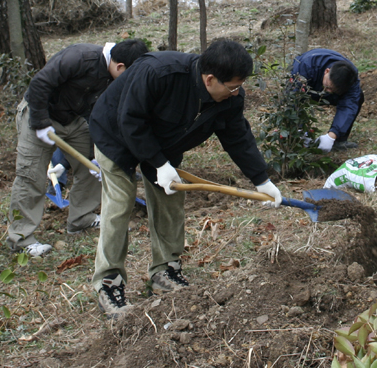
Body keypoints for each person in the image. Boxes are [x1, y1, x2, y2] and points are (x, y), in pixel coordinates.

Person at [87, 38, 281, 318]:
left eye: (240, 86)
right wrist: (158, 163)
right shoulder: (160, 72)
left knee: (170, 200)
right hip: (115, 132)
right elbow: (130, 120)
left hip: (164, 143)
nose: (237, 92)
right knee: (120, 203)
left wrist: (261, 179)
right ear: (210, 79)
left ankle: (165, 270)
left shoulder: (228, 98)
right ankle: (108, 282)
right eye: (233, 86)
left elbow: (237, 135)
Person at [6, 39, 149, 257]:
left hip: (72, 120)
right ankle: (21, 239)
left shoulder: (113, 77)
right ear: (120, 66)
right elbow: (39, 84)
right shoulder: (80, 57)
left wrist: (98, 150)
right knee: (31, 175)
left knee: (94, 164)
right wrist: (41, 123)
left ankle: (81, 218)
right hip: (39, 114)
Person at [290, 48, 363, 152]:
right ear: (327, 71)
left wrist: (332, 136)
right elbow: (292, 99)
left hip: (332, 91)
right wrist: (300, 131)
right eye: (328, 87)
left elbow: (349, 106)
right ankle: (295, 141)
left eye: (333, 89)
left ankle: (338, 140)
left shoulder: (350, 78)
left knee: (359, 97)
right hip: (309, 88)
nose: (328, 91)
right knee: (294, 100)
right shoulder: (305, 66)